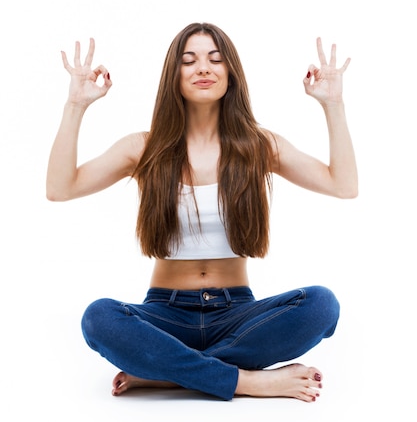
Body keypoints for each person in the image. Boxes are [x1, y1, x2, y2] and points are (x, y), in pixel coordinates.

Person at [46, 22, 358, 403]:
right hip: (165, 313)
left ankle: (167, 373)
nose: (203, 68)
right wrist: (76, 105)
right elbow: (60, 189)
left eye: (215, 59)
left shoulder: (259, 146)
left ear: (230, 74)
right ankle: (245, 381)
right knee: (99, 318)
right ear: (173, 76)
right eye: (189, 60)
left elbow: (343, 185)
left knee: (321, 306)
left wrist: (333, 104)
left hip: (237, 315)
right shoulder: (143, 148)